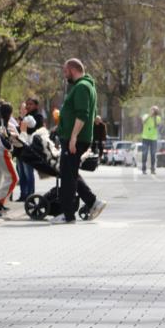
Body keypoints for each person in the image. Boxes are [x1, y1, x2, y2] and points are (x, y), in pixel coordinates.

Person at [50, 58, 106, 224]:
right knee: (70, 172)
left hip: (75, 139)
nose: (64, 75)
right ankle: (92, 202)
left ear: (73, 70)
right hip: (76, 137)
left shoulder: (81, 87)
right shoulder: (87, 86)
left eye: (65, 71)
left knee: (67, 176)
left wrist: (73, 137)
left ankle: (68, 215)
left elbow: (83, 114)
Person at [141, 106, 162, 175]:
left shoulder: (158, 118)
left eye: (155, 111)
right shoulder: (146, 115)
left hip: (153, 138)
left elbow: (156, 125)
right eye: (153, 110)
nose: (154, 111)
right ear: (150, 110)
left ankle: (152, 169)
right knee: (144, 153)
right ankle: (144, 169)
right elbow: (143, 121)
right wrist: (150, 115)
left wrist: (155, 116)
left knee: (153, 154)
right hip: (145, 138)